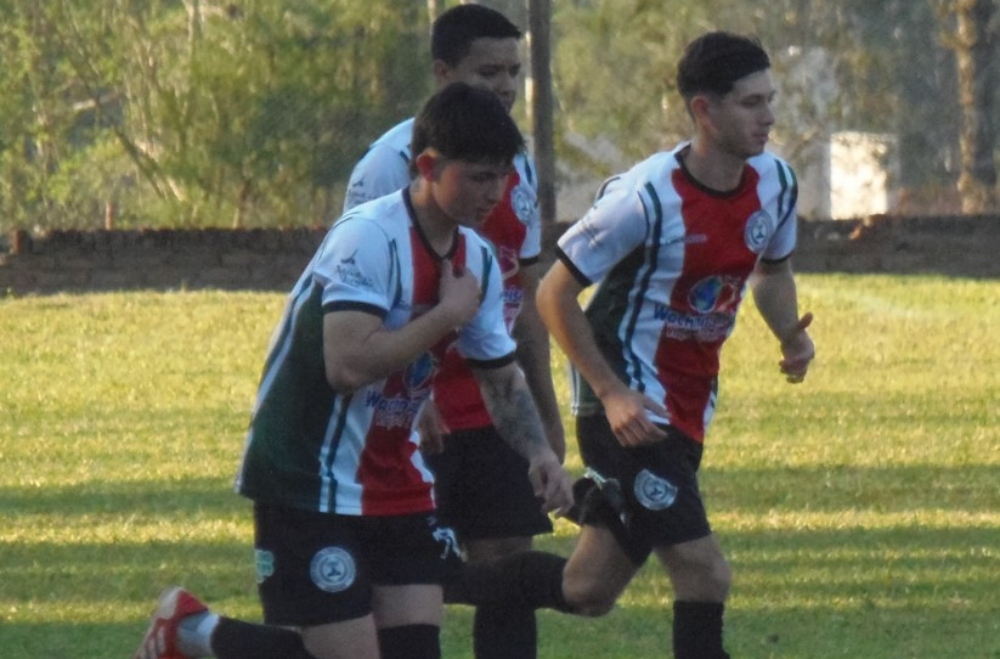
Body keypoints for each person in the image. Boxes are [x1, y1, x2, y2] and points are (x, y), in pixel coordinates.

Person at [131, 82, 573, 659]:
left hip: (397, 475)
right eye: (479, 177)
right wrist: (446, 315)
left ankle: (189, 632)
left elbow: (500, 376)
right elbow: (346, 365)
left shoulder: (478, 260)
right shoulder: (369, 238)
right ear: (428, 167)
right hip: (306, 473)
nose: (495, 193)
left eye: (503, 177)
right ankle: (187, 634)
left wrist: (538, 453)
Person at [447, 31, 816, 659]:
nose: (769, 117)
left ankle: (419, 581)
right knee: (704, 572)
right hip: (627, 415)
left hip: (687, 410)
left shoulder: (775, 183)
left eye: (770, 101)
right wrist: (612, 392)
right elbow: (553, 294)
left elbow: (772, 273)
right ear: (704, 110)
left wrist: (790, 334)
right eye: (752, 103)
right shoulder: (645, 198)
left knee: (587, 589)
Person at [344, 6, 565, 659]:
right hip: (409, 405)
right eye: (488, 71)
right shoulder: (387, 166)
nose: (505, 86)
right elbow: (355, 305)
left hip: (494, 395)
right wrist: (414, 394)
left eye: (514, 72)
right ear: (443, 72)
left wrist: (545, 418)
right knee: (407, 579)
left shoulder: (515, 165)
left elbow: (525, 295)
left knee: (508, 564)